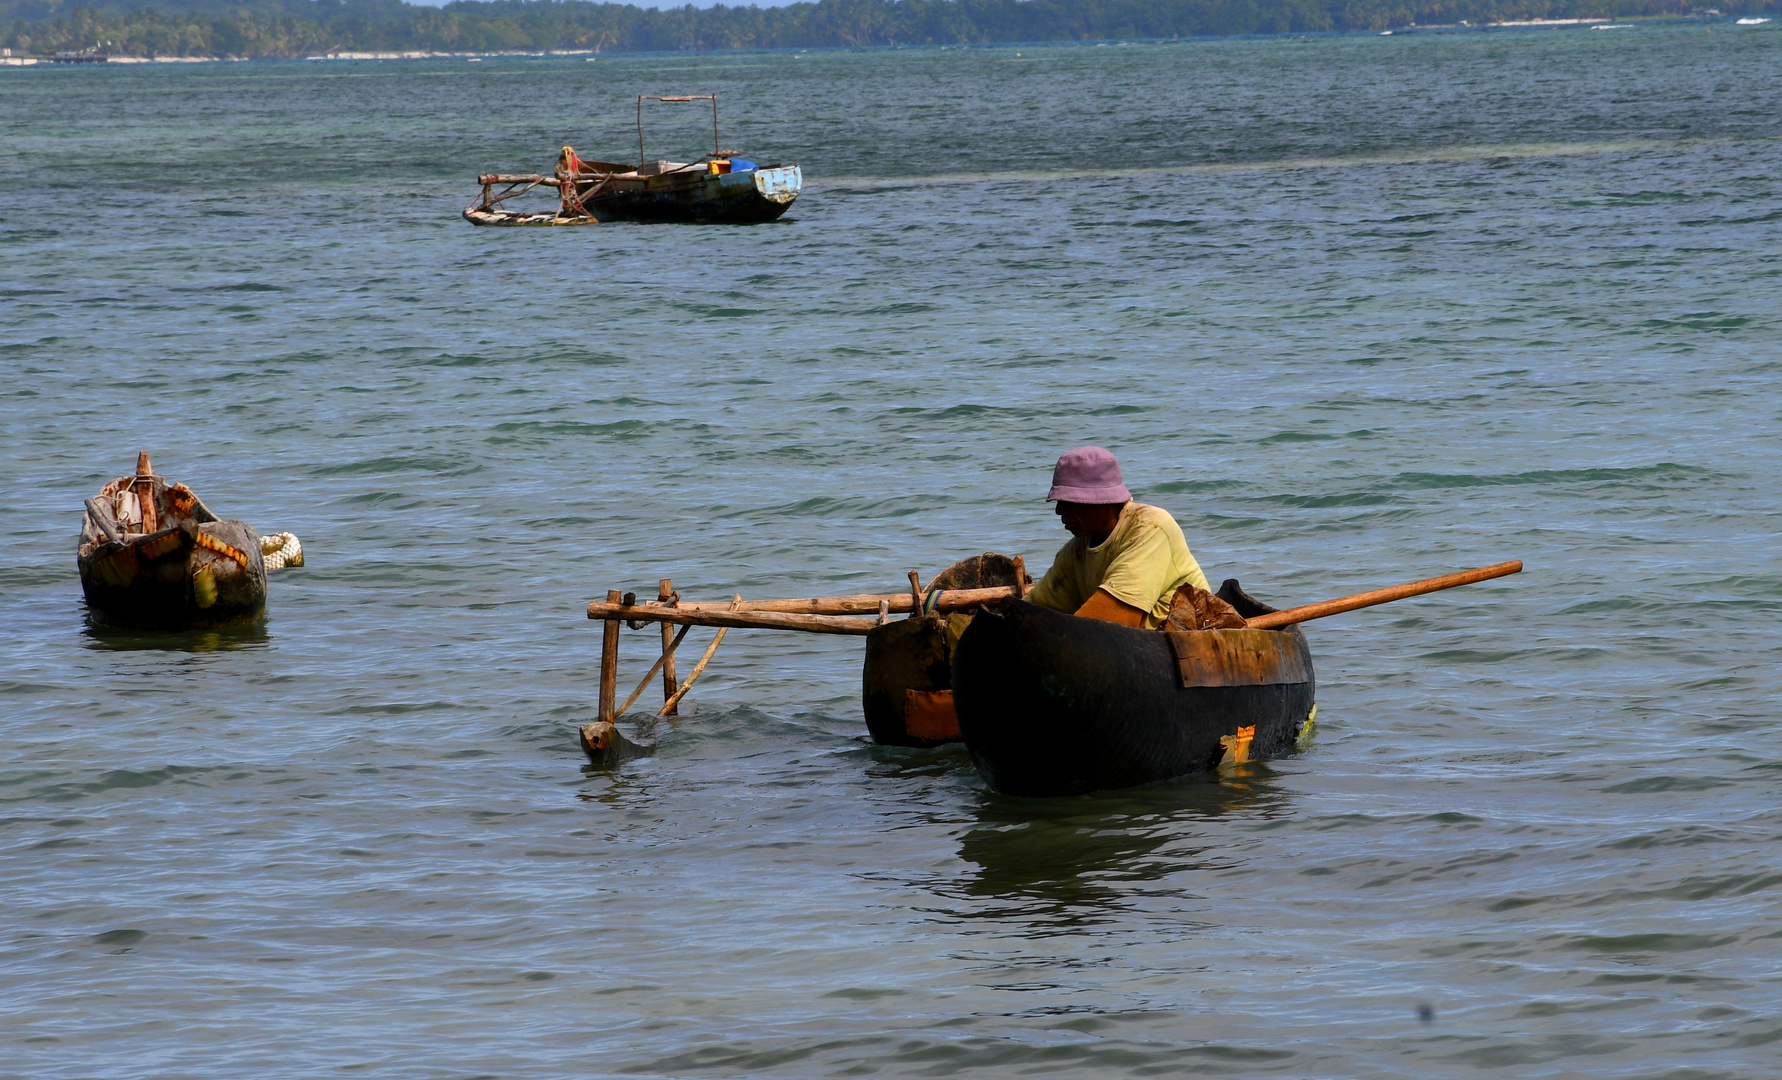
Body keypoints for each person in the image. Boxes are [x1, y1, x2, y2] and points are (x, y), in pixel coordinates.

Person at [1025, 446, 1211, 629]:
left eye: (1070, 502)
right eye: (1059, 502)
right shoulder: (1076, 552)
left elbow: (1112, 619)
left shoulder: (1150, 528)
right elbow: (1033, 608)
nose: (1059, 511)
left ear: (1101, 501)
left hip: (1189, 638)